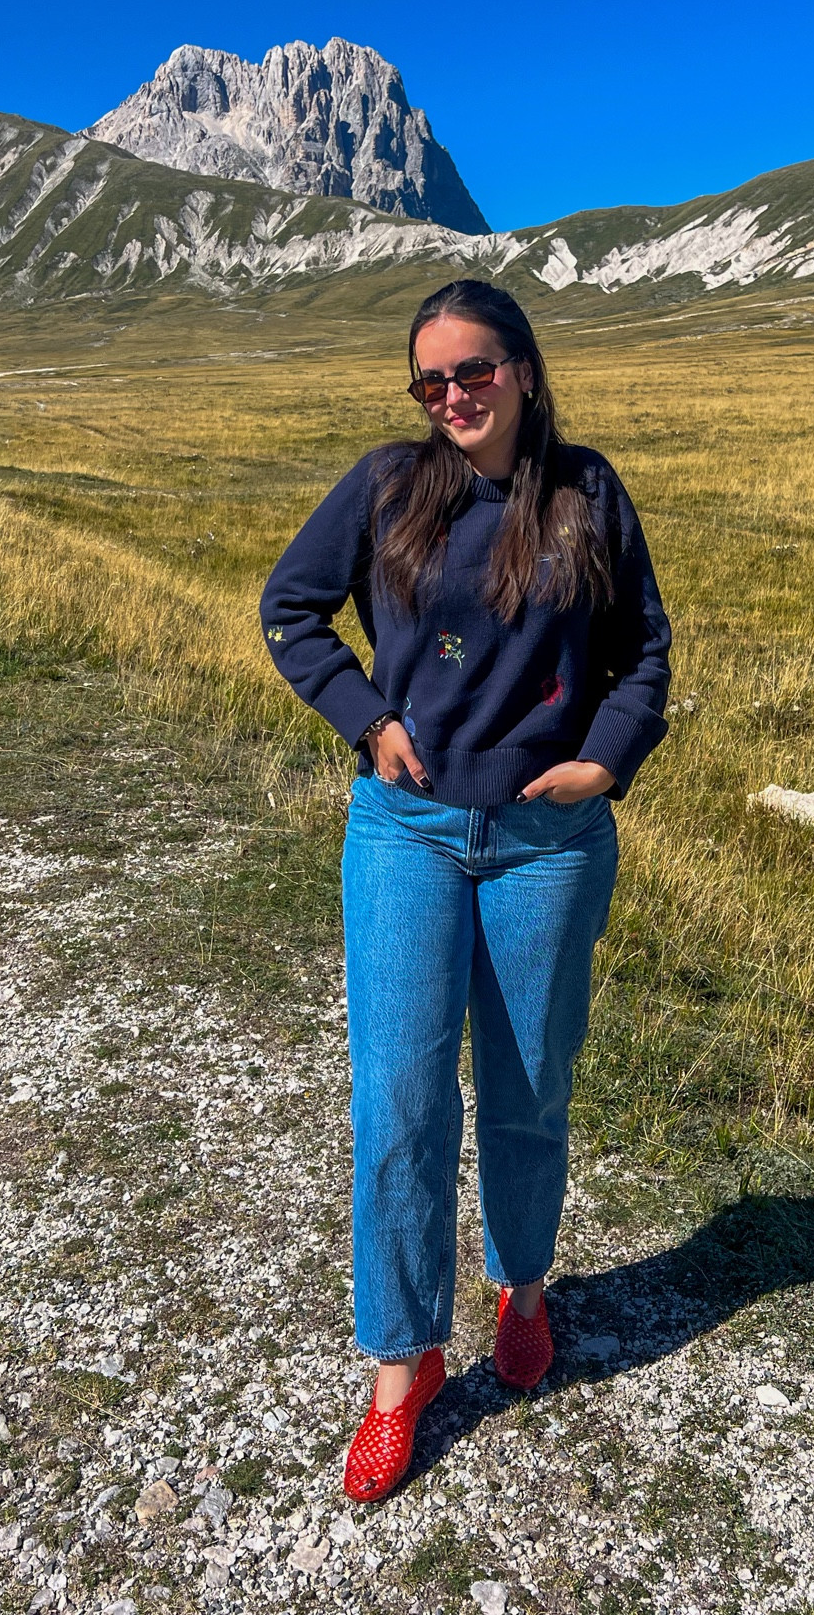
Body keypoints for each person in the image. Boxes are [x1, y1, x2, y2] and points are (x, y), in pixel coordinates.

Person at [260, 279, 671, 1503]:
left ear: (527, 369)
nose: (454, 398)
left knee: (529, 1088)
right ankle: (404, 1364)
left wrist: (607, 756)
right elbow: (290, 609)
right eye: (430, 381)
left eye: (475, 371)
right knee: (397, 1098)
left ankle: (523, 1288)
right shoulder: (390, 484)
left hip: (549, 840)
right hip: (409, 833)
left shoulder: (586, 490)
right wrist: (367, 718)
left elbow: (644, 648)